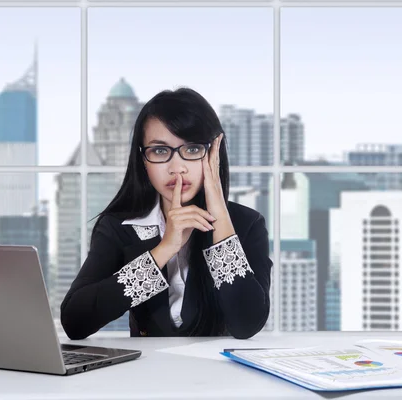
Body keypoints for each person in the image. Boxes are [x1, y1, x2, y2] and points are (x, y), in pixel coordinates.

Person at [60, 87, 273, 340]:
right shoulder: (120, 226)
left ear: (214, 153)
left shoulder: (247, 224)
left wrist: (221, 221)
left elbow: (246, 324)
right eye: (160, 151)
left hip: (221, 373)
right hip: (145, 372)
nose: (177, 168)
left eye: (192, 150)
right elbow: (74, 322)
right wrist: (164, 249)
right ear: (143, 161)